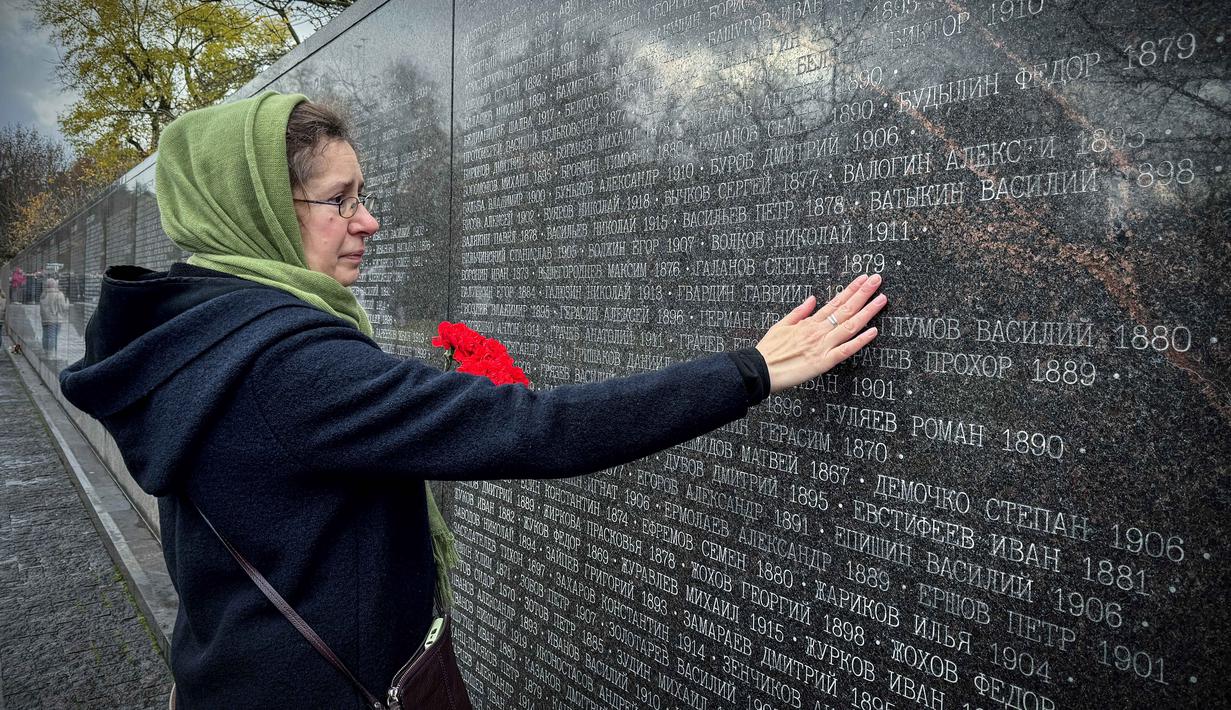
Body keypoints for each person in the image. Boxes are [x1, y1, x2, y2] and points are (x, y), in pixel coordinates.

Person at [59, 91, 886, 708]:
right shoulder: (285, 366)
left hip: (228, 673)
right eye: (339, 199)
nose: (369, 220)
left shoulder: (190, 331)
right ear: (263, 211)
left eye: (361, 193)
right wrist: (751, 369)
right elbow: (538, 430)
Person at [39, 277, 69, 358]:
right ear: (55, 285)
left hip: (45, 319)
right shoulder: (59, 294)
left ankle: (46, 351)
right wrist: (67, 303)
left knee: (45, 335)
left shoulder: (43, 294)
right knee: (53, 336)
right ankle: (51, 353)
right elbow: (62, 307)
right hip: (55, 319)